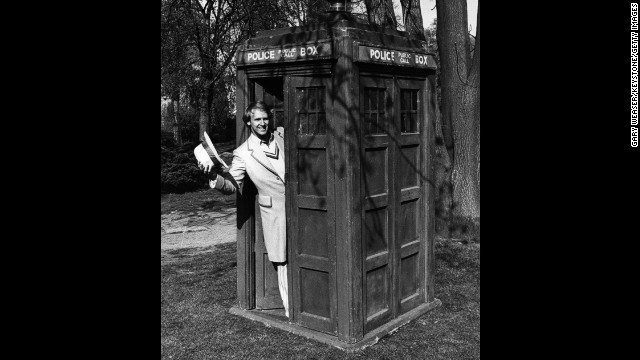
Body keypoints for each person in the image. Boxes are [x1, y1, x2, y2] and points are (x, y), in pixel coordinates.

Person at [195, 101, 289, 318]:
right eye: (257, 120)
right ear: (249, 122)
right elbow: (231, 186)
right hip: (274, 213)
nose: (263, 123)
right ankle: (290, 311)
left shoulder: (283, 136)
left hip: (302, 208)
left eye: (265, 118)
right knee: (282, 260)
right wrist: (212, 176)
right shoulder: (243, 153)